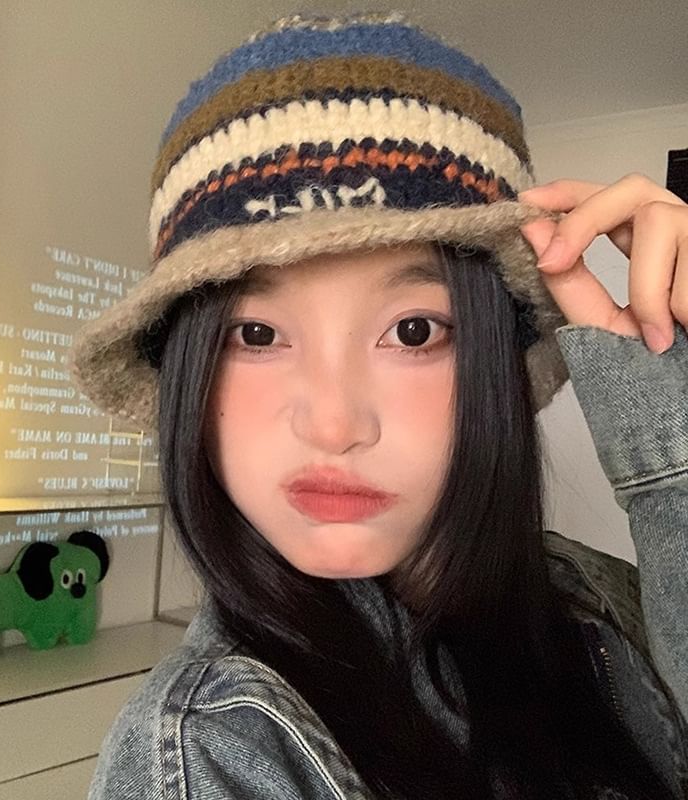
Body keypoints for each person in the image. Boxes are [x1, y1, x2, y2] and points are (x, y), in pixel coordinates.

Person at [68, 10, 688, 799]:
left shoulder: (600, 606)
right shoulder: (205, 753)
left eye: (413, 330)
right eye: (255, 333)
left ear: (495, 361)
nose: (334, 425)